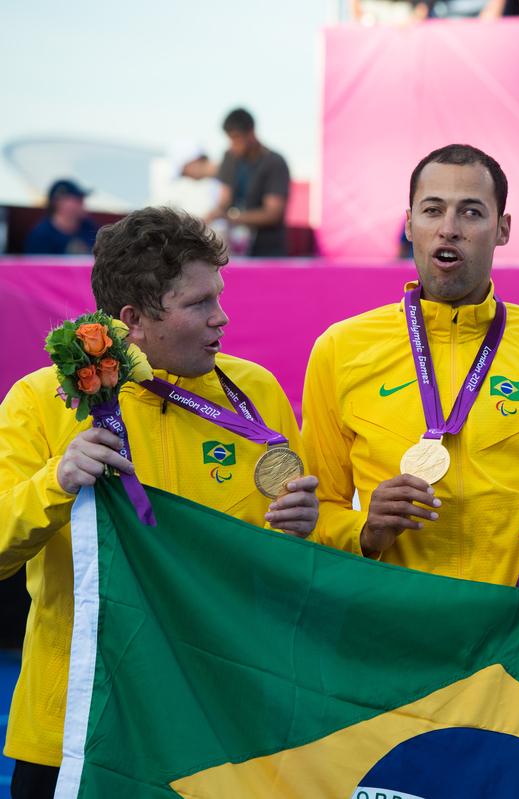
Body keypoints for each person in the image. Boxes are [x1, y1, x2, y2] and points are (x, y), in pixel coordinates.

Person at [0, 207, 322, 798]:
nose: (222, 318)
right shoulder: (40, 400)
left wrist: (305, 529)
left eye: (218, 297)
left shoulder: (256, 395)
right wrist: (56, 481)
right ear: (133, 319)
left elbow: (288, 570)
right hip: (75, 730)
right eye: (199, 303)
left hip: (216, 729)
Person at [302, 144, 519, 598]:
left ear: (502, 229)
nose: (449, 229)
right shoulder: (339, 349)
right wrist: (364, 531)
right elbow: (316, 510)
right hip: (395, 639)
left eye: (471, 213)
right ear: (409, 224)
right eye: (432, 210)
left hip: (517, 638)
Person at [204, 108, 290, 257]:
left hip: (267, 251)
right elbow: (224, 200)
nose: (233, 145)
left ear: (251, 133)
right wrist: (206, 220)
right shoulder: (229, 157)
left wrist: (231, 217)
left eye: (236, 138)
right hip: (233, 251)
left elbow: (273, 213)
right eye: (230, 138)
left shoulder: (275, 163)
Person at [23, 179, 100, 256]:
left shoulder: (89, 227)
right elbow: (37, 266)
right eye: (78, 200)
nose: (83, 204)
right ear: (59, 202)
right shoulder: (41, 236)